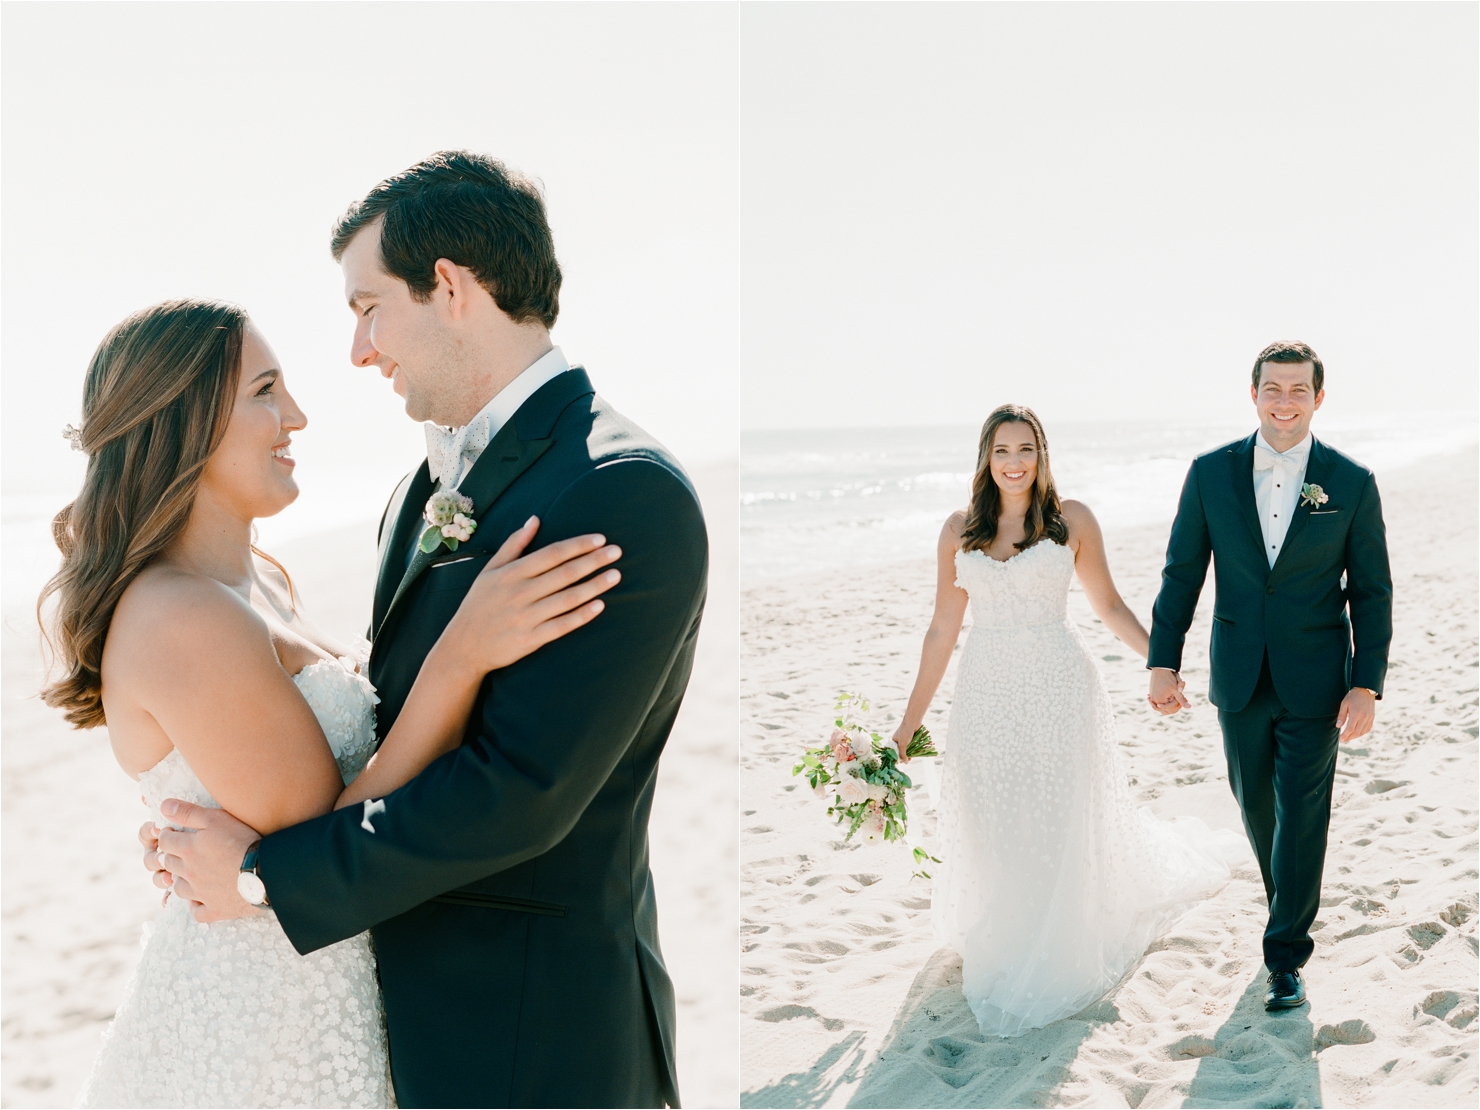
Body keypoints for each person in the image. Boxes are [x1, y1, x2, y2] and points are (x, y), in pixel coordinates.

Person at [147, 152, 708, 1108]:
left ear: (447, 286)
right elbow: (393, 707)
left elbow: (519, 794)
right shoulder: (419, 489)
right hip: (406, 1022)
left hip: (533, 1039)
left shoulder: (618, 492)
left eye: (368, 308)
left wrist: (256, 876)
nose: (361, 350)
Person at [44, 298, 617, 1107]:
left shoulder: (259, 581)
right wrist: (460, 658)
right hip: (261, 1032)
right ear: (186, 422)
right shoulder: (179, 613)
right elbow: (326, 841)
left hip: (325, 990)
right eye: (266, 391)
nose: (298, 417)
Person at [892, 403, 1245, 1038]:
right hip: (986, 691)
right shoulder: (957, 531)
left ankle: (1059, 935)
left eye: (1025, 449)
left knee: (1056, 810)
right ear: (984, 457)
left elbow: (1106, 603)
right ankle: (1011, 927)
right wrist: (905, 726)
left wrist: (1161, 664)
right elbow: (942, 629)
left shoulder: (1072, 521)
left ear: (1042, 454)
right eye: (1002, 450)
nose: (1014, 462)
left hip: (1060, 686)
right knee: (994, 810)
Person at [1147, 341, 1391, 1012]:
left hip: (1318, 680)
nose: (1286, 401)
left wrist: (1366, 682)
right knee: (1258, 808)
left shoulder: (1351, 482)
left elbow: (1371, 592)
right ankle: (1286, 903)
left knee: (1303, 812)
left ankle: (1285, 955)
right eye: (1273, 389)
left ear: (1318, 398)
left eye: (1298, 390)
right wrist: (1163, 660)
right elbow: (1182, 574)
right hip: (1239, 675)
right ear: (1252, 394)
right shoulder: (1209, 474)